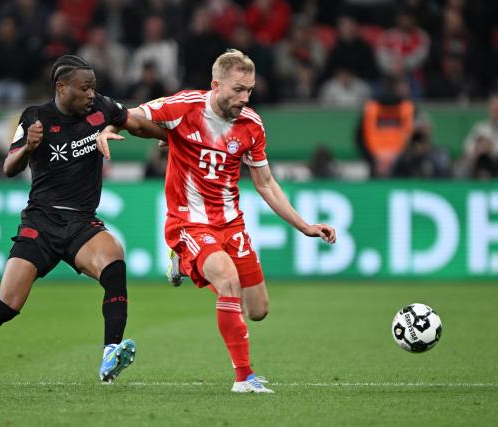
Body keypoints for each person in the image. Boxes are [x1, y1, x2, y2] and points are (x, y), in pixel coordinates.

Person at [97, 49, 336, 393]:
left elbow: (266, 183)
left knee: (258, 309)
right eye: (238, 89)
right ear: (216, 84)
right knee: (226, 280)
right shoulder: (184, 106)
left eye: (249, 90)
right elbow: (131, 116)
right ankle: (244, 377)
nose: (245, 98)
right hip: (188, 222)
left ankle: (183, 264)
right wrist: (106, 128)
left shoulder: (251, 125)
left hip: (231, 223)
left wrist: (304, 225)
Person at [0, 55, 164, 389]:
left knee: (114, 262)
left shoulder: (101, 108)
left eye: (94, 87)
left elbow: (135, 122)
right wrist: (28, 148)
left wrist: (169, 138)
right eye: (84, 87)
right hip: (41, 221)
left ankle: (110, 352)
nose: (92, 93)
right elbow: (9, 168)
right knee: (8, 305)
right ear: (62, 87)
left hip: (81, 223)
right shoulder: (36, 118)